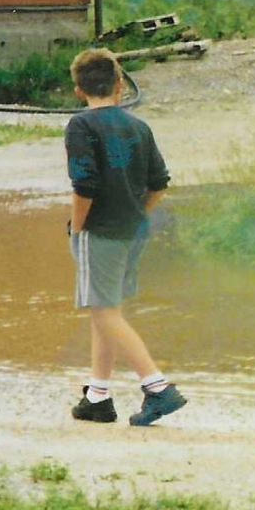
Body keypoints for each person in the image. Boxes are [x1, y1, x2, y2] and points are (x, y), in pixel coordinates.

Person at [65, 48, 188, 425]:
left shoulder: (81, 126)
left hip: (98, 231)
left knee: (103, 310)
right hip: (133, 231)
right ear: (120, 85)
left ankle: (157, 387)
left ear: (78, 90)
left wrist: (78, 226)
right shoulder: (139, 126)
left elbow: (84, 185)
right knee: (108, 310)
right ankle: (98, 397)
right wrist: (138, 214)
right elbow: (159, 183)